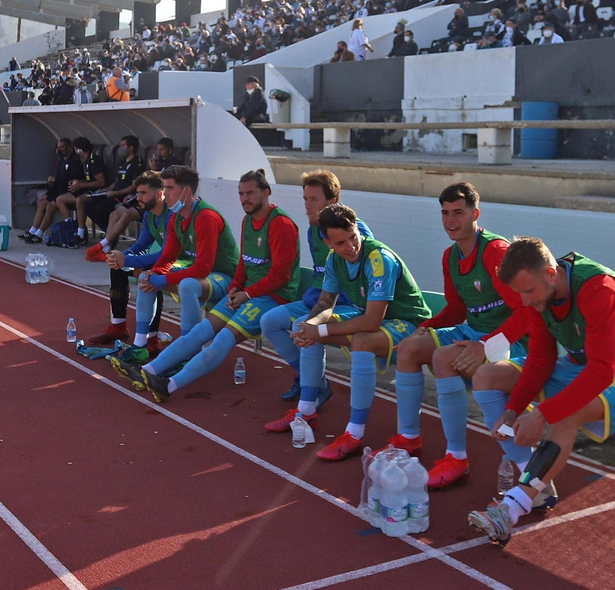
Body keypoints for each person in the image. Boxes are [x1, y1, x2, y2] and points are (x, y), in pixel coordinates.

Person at [466, 238, 615, 544]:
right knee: (486, 376)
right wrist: (513, 409)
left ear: (550, 273)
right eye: (519, 294)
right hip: (578, 365)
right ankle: (535, 481)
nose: (525, 302)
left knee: (565, 414)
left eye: (528, 291)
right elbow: (541, 357)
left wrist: (542, 415)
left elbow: (602, 372)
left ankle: (511, 509)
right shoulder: (540, 293)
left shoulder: (599, 288)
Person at [383, 183, 531, 489]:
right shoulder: (450, 256)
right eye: (445, 213)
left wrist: (485, 345)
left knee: (443, 358)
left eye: (459, 213)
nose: (451, 220)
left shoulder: (495, 251)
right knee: (409, 348)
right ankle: (408, 438)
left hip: (510, 340)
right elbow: (456, 308)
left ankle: (457, 457)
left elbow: (527, 313)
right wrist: (427, 326)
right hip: (473, 331)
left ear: (475, 214)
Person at [264, 202, 432, 462]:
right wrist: (311, 327)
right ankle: (306, 411)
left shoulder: (378, 259)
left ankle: (354, 434)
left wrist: (320, 330)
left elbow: (372, 321)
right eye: (341, 243)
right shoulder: (334, 259)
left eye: (353, 237)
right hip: (372, 317)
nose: (351, 246)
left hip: (408, 322)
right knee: (303, 326)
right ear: (328, 243)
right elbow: (324, 303)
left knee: (361, 341)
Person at [124, 170, 300, 403]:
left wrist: (246, 293)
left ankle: (170, 385)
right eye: (241, 194)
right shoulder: (248, 220)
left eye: (250, 193)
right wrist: (236, 287)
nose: (244, 199)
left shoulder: (280, 224)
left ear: (266, 193)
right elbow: (244, 263)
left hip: (273, 297)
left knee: (223, 339)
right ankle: (148, 370)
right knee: (200, 332)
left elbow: (280, 275)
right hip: (246, 292)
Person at [258, 170, 369, 403]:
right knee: (269, 321)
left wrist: (317, 316)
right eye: (305, 199)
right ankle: (313, 380)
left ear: (333, 200)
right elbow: (323, 274)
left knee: (304, 326)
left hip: (348, 305)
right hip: (320, 299)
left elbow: (365, 281)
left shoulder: (355, 232)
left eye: (314, 200)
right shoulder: (313, 230)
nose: (308, 206)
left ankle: (309, 401)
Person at [135, 165, 239, 336]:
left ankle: (189, 344)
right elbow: (168, 256)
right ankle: (141, 342)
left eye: (170, 188)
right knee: (145, 278)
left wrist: (163, 279)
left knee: (188, 285)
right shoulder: (176, 217)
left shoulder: (206, 217)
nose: (165, 193)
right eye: (164, 187)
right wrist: (155, 273)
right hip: (204, 274)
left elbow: (203, 268)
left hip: (225, 276)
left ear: (186, 191)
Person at [96, 173, 172, 356]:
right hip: (165, 261)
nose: (138, 197)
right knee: (118, 268)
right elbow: (141, 245)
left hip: (178, 263)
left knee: (150, 274)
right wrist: (121, 256)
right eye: (137, 193)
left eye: (143, 193)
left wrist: (127, 260)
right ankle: (119, 326)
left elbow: (165, 255)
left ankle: (152, 339)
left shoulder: (172, 216)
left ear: (159, 194)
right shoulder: (149, 215)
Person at [83, 135, 145, 262]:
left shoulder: (137, 163)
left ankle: (107, 244)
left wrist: (114, 193)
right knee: (89, 206)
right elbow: (117, 182)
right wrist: (106, 190)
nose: (120, 148)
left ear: (131, 147)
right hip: (114, 194)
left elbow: (134, 186)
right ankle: (108, 242)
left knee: (104, 209)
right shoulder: (122, 163)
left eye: (123, 145)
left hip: (124, 197)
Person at [21, 137, 83, 243]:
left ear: (69, 148)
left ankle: (39, 234)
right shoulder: (61, 162)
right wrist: (48, 194)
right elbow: (58, 182)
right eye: (58, 148)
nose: (59, 151)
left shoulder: (75, 162)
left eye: (62, 148)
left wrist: (55, 181)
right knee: (42, 203)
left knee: (50, 206)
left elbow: (70, 180)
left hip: (70, 193)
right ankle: (32, 231)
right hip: (60, 191)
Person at [53, 137, 108, 247]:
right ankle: (70, 225)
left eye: (75, 148)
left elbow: (101, 182)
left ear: (79, 149)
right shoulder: (85, 161)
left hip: (100, 191)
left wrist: (81, 185)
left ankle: (80, 234)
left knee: (80, 200)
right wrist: (78, 182)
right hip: (89, 190)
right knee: (60, 199)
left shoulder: (94, 161)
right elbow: (90, 180)